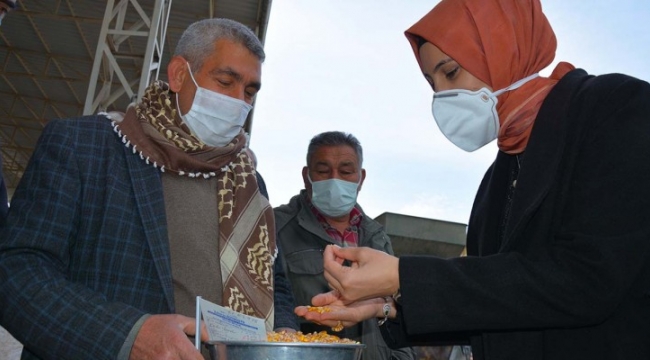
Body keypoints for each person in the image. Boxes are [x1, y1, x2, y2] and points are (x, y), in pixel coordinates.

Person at [296, 0, 650, 359]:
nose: (441, 96)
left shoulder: (614, 108)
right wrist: (387, 305)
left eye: (449, 73)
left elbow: (588, 280)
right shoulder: (495, 180)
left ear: (503, 48)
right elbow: (496, 302)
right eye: (431, 83)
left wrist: (405, 276)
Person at [0, 18, 298, 360]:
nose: (239, 102)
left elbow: (276, 285)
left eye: (249, 91)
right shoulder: (84, 147)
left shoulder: (249, 182)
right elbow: (17, 272)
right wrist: (129, 335)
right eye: (226, 81)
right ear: (178, 75)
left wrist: (286, 337)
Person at [274, 131, 416, 360]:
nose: (335, 179)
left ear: (361, 177)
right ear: (306, 175)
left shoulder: (377, 237)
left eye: (346, 171)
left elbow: (396, 307)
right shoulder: (275, 226)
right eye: (323, 171)